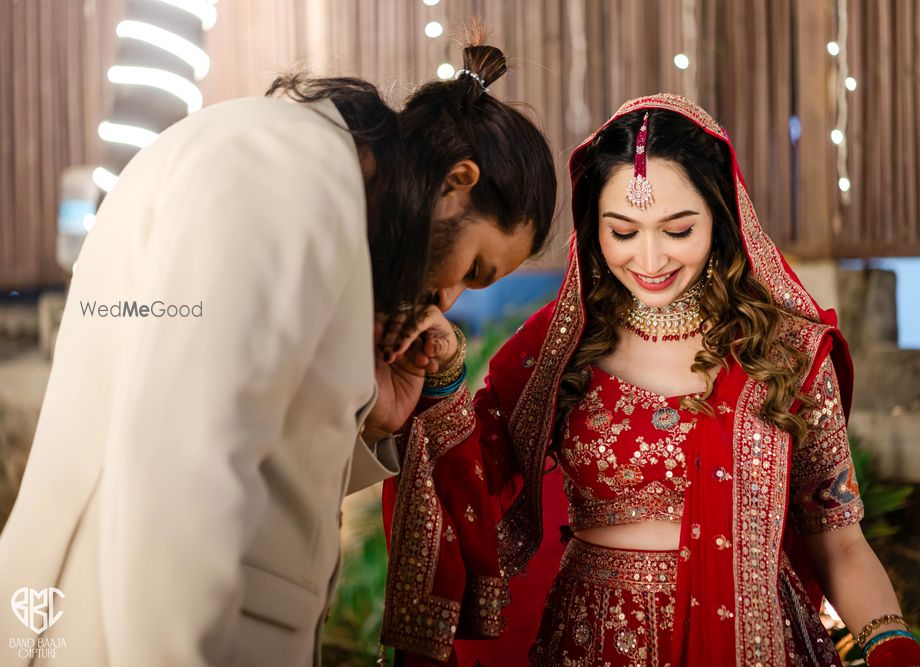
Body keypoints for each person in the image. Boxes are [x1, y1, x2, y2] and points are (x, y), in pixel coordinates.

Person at [0, 37, 556, 667]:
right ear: (457, 182)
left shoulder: (323, 194)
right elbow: (182, 463)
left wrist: (372, 419)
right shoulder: (285, 168)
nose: (451, 298)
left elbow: (267, 462)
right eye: (474, 268)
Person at [380, 94, 920, 666]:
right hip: (594, 641)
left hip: (754, 644)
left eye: (677, 230)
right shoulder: (559, 344)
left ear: (721, 218)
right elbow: (470, 483)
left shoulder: (785, 350)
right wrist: (441, 378)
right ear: (593, 230)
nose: (649, 258)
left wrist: (892, 644)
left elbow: (837, 539)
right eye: (622, 232)